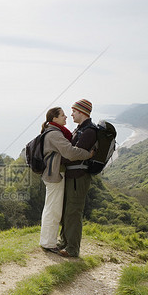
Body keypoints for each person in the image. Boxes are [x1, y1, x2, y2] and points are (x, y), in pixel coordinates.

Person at [39, 107, 93, 256]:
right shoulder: (55, 134)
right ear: (54, 119)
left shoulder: (54, 131)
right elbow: (69, 152)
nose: (66, 117)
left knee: (52, 207)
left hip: (53, 173)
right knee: (53, 209)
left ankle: (48, 241)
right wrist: (87, 154)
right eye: (62, 115)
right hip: (54, 174)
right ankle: (49, 243)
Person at [56, 99, 97, 257]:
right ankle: (64, 241)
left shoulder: (89, 131)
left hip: (78, 176)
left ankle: (72, 249)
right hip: (72, 175)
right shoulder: (80, 129)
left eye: (73, 111)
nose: (71, 114)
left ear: (82, 112)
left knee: (74, 211)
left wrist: (58, 159)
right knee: (67, 209)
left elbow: (74, 155)